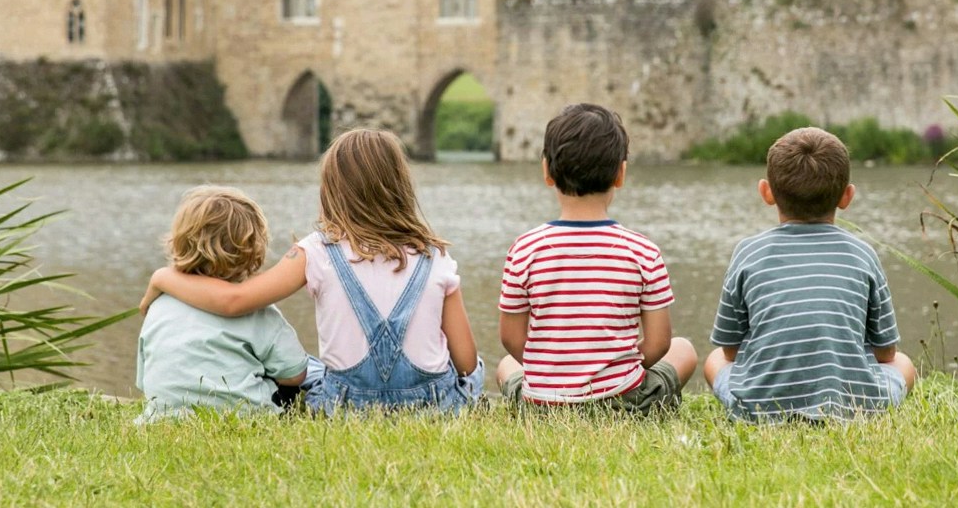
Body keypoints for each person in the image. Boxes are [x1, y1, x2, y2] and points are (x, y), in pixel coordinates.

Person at [140, 129, 482, 412]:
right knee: (478, 371)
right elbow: (465, 361)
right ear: (401, 187)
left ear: (332, 190)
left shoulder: (315, 251)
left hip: (345, 407)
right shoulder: (435, 256)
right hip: (432, 406)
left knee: (311, 368)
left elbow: (235, 301)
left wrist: (163, 277)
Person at [702, 126, 917, 421]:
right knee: (904, 364)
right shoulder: (863, 254)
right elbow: (886, 354)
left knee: (713, 360)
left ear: (766, 192)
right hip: (855, 407)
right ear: (847, 196)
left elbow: (729, 351)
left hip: (759, 409)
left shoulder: (748, 252)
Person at [497, 103, 697, 410]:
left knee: (505, 367)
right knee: (685, 350)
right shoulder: (643, 251)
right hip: (623, 400)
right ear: (621, 174)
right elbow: (659, 343)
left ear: (547, 171)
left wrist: (555, 373)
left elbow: (511, 338)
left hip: (543, 403)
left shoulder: (524, 249)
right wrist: (611, 368)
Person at [134, 186, 311, 423]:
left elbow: (143, 379)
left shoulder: (159, 306)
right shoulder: (257, 312)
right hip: (247, 418)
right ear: (254, 251)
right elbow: (295, 375)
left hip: (163, 418)